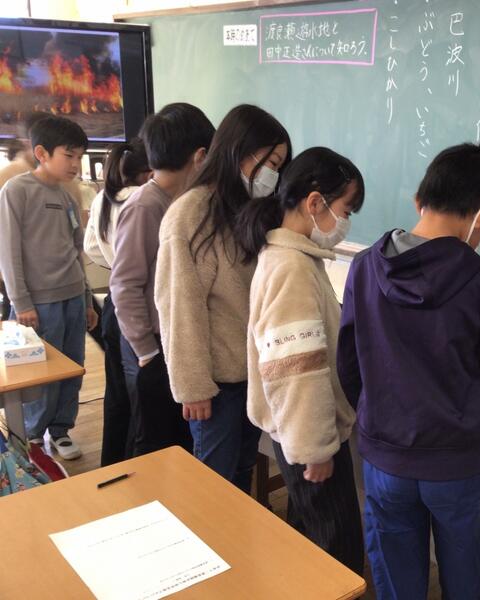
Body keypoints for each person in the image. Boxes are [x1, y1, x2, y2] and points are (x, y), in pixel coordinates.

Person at [336, 143, 480, 599]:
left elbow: (348, 365)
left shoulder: (363, 268)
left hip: (384, 456)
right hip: (455, 466)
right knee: (465, 580)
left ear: (419, 200)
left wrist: (377, 420)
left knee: (397, 581)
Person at [155, 104, 291, 492]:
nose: (273, 175)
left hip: (251, 374)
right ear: (239, 150)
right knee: (214, 487)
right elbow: (180, 307)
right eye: (271, 163)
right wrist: (193, 387)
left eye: (279, 167)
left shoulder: (243, 209)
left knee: (240, 474)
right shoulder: (191, 213)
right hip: (215, 384)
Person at [243, 147, 366, 574]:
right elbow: (298, 372)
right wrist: (316, 449)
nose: (345, 222)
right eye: (345, 210)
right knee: (338, 555)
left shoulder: (293, 258)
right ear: (315, 203)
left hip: (301, 432)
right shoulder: (291, 267)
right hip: (309, 436)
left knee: (310, 544)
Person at [110, 103, 215, 457]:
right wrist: (146, 352)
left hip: (168, 342)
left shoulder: (180, 201)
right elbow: (124, 285)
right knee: (153, 441)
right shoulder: (146, 205)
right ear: (200, 156)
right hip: (150, 344)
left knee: (173, 440)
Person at [0, 115, 98, 459]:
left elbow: (76, 252)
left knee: (72, 368)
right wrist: (22, 302)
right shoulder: (17, 191)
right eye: (69, 155)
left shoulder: (68, 196)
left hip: (73, 298)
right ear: (41, 153)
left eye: (80, 156)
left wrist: (87, 300)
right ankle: (31, 436)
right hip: (38, 304)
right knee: (40, 375)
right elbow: (8, 252)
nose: (75, 164)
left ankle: (60, 430)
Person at [84, 139, 151, 466]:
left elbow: (90, 247)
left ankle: (111, 464)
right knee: (141, 400)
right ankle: (135, 467)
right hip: (138, 306)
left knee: (117, 395)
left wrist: (114, 262)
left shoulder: (103, 198)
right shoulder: (143, 199)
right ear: (148, 170)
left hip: (114, 301)